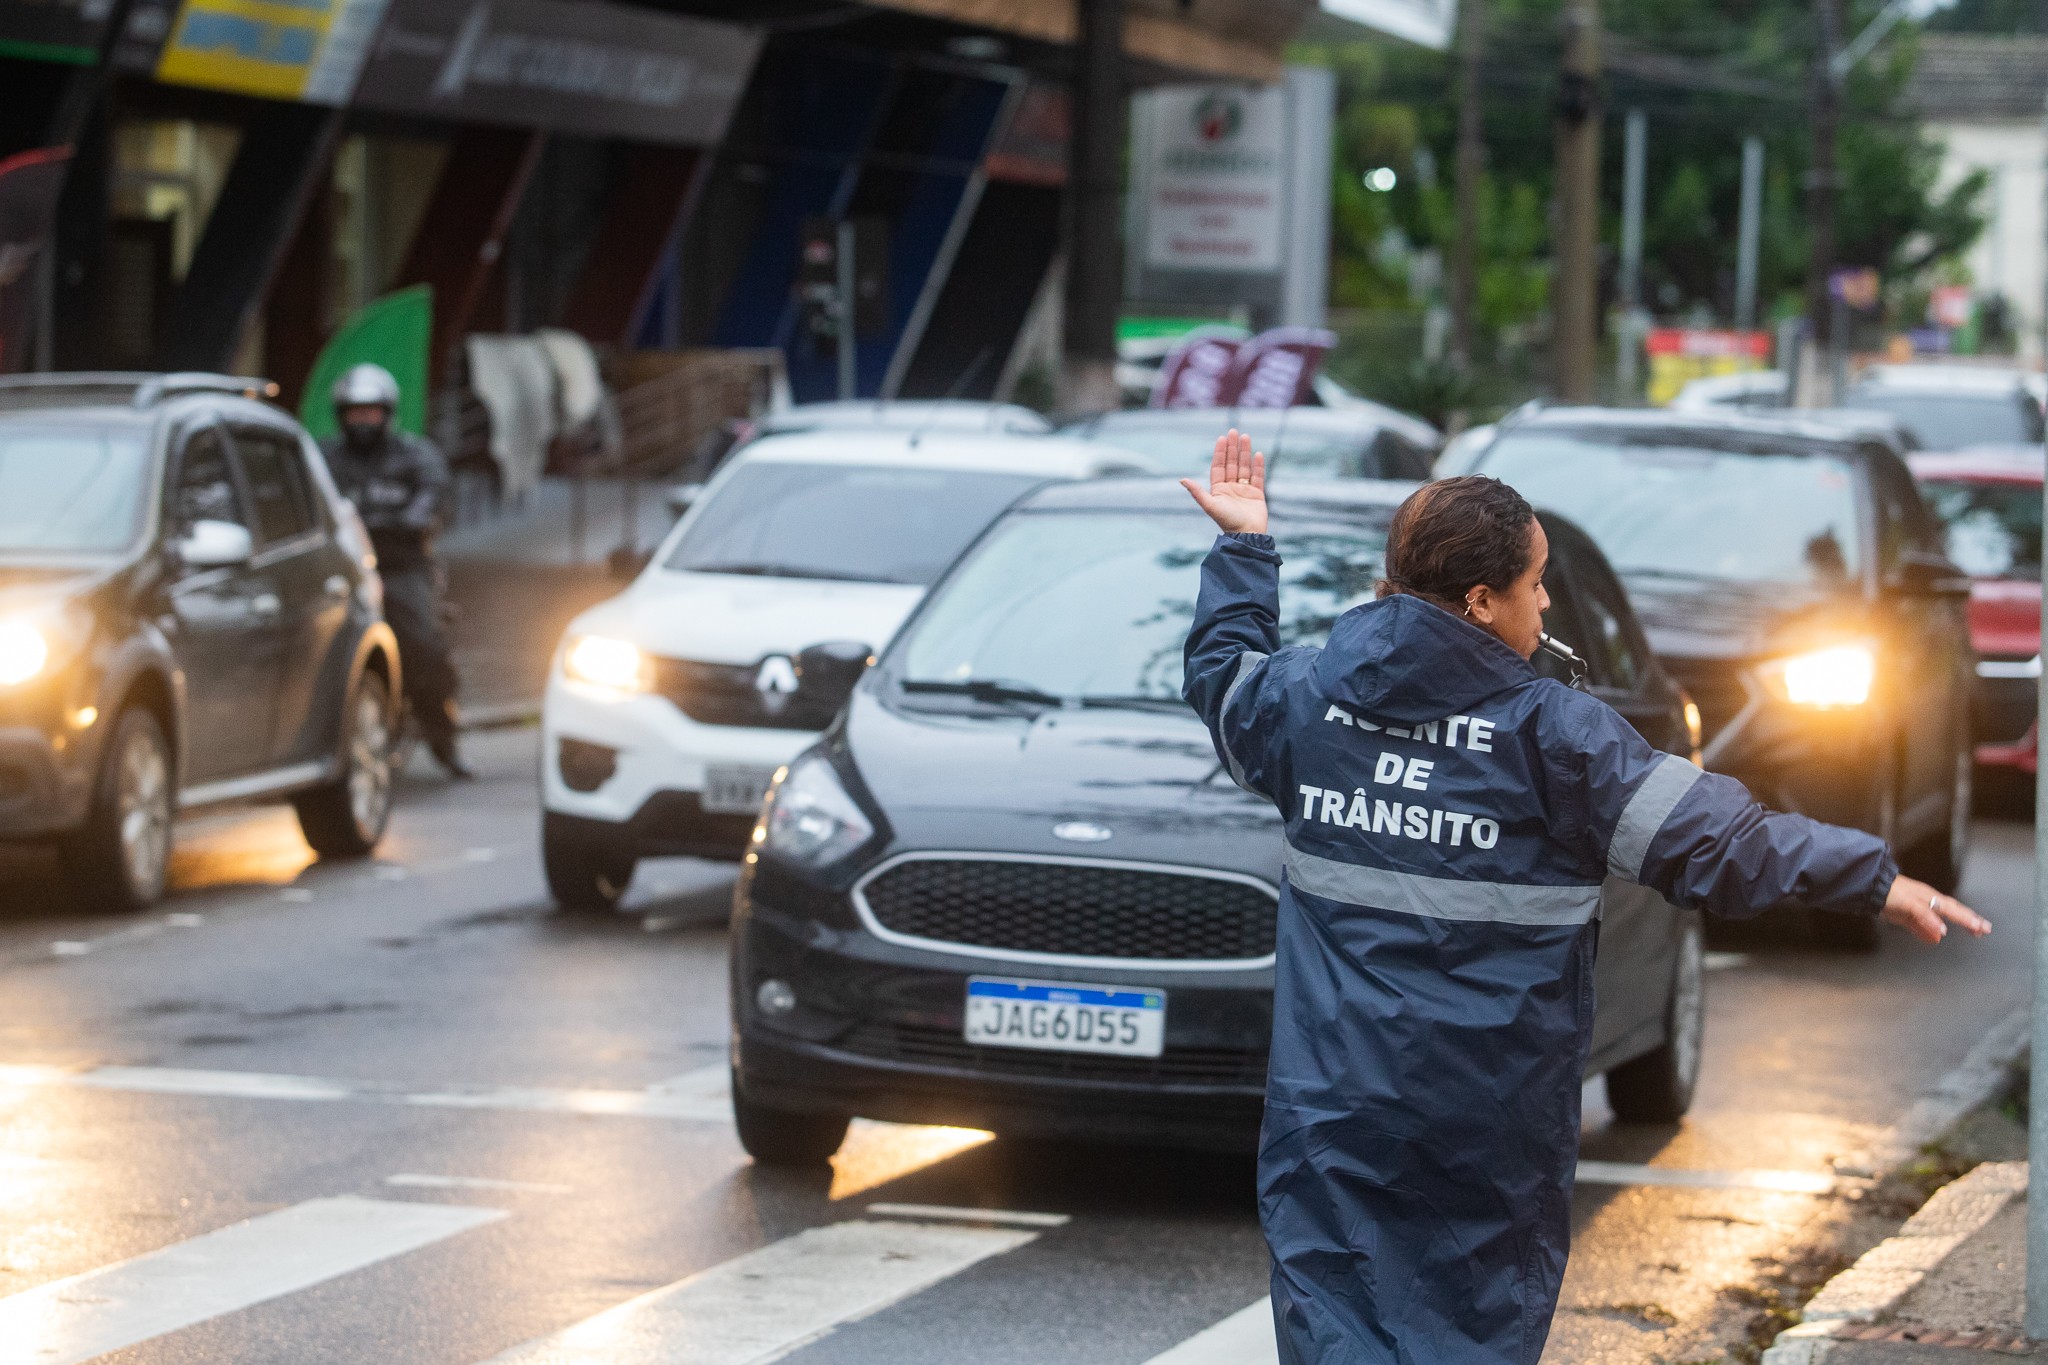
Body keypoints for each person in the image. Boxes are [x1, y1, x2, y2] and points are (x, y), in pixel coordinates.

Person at [1179, 431, 1989, 1365]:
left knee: (1333, 1331)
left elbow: (1222, 675)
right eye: (1537, 581)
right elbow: (1718, 844)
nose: (1547, 599)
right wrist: (1872, 876)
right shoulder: (1559, 739)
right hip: (1484, 1124)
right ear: (1482, 603)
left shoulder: (1310, 703)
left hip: (1332, 1113)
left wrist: (1244, 548)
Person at [320, 363, 470, 779]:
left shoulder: (415, 455)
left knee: (425, 644)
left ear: (387, 413)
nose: (363, 420)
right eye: (355, 412)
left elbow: (435, 493)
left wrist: (415, 516)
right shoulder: (325, 458)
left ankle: (445, 739)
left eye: (371, 412)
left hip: (402, 566)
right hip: (345, 571)